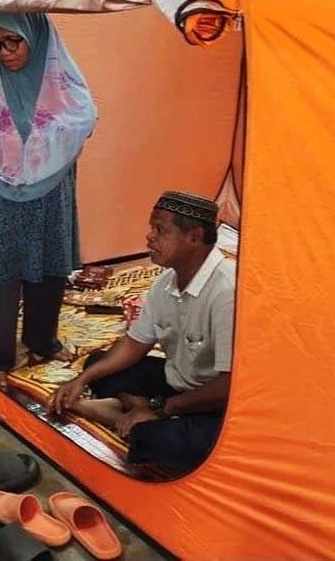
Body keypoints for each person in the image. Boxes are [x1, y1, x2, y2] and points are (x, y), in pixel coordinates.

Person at [0, 12, 97, 388]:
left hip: (50, 192)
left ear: (35, 40)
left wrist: (40, 145)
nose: (3, 52)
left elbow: (83, 119)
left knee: (49, 264)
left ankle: (42, 340)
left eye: (12, 42)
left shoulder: (61, 81)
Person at [49, 191, 236, 471]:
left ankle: (127, 415)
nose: (150, 237)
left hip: (220, 404)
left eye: (160, 230)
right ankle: (133, 409)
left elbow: (228, 387)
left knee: (165, 444)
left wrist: (160, 408)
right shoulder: (165, 283)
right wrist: (82, 379)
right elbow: (134, 344)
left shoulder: (228, 293)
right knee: (98, 362)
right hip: (179, 383)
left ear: (194, 237)